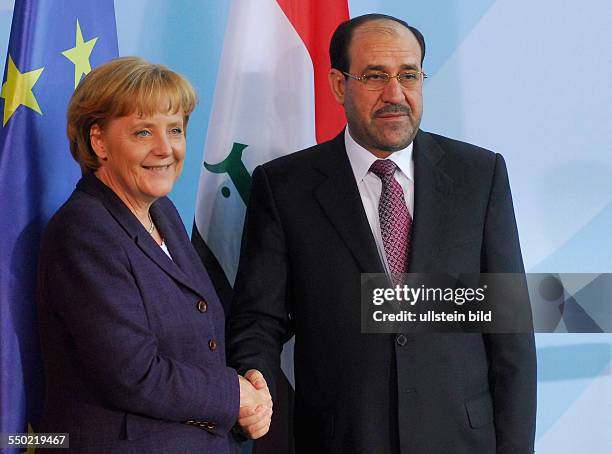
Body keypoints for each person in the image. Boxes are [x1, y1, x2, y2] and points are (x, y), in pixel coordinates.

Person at [228, 14, 536, 454]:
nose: (396, 94)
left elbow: (510, 332)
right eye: (375, 76)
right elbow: (258, 318)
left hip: (462, 439)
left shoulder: (479, 174)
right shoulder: (284, 187)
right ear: (338, 85)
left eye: (409, 75)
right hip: (342, 439)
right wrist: (254, 375)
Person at [36, 57, 271, 453]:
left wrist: (248, 389)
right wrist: (235, 395)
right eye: (143, 132)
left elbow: (198, 340)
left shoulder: (163, 212)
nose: (166, 149)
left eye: (175, 130)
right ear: (99, 141)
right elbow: (134, 374)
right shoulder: (84, 230)